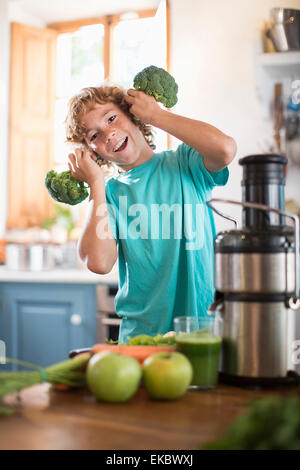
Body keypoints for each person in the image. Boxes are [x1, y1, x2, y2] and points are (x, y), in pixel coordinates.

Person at [65, 84, 237, 343]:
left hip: (202, 332)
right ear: (93, 152)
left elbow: (224, 149)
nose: (109, 134)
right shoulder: (108, 195)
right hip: (142, 339)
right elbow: (99, 263)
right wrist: (96, 184)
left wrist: (155, 115)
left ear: (133, 114)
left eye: (112, 118)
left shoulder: (185, 163)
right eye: (94, 136)